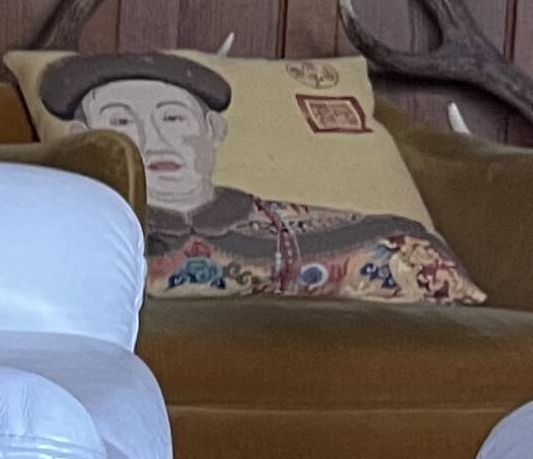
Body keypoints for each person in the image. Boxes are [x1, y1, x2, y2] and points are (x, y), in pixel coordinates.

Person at [37, 50, 475, 302]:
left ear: (214, 132)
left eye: (173, 118)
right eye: (121, 122)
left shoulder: (377, 238)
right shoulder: (68, 241)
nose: (153, 140)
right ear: (81, 138)